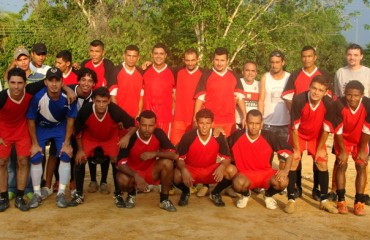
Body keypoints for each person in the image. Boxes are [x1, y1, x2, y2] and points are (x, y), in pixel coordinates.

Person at [69, 87, 135, 208]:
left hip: (109, 138)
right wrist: (80, 150)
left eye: (104, 101)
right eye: (98, 101)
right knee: (80, 159)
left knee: (116, 160)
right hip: (90, 138)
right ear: (93, 100)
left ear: (109, 101)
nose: (101, 105)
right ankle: (79, 194)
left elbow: (133, 124)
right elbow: (77, 130)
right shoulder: (86, 110)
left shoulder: (114, 110)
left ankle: (118, 194)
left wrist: (127, 137)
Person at [281, 46, 332, 201]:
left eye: (310, 56)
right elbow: (288, 97)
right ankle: (296, 188)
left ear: (315, 57)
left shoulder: (324, 75)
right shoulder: (295, 75)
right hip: (299, 125)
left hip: (316, 129)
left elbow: (327, 123)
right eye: (304, 56)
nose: (307, 59)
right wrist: (299, 112)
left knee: (321, 159)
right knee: (296, 157)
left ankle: (318, 190)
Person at [285, 75, 338, 214]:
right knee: (294, 160)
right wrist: (296, 149)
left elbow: (327, 128)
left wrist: (320, 148)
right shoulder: (298, 99)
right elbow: (294, 127)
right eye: (314, 88)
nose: (316, 92)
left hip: (316, 137)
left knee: (322, 161)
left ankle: (324, 200)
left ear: (325, 92)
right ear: (309, 87)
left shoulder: (329, 103)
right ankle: (291, 199)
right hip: (299, 135)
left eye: (320, 90)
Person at [26, 67, 77, 208]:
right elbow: (30, 119)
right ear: (46, 82)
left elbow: (71, 120)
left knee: (66, 154)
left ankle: (61, 193)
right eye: (51, 80)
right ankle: (37, 193)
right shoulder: (38, 97)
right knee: (36, 155)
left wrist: (67, 143)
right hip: (41, 127)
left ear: (62, 82)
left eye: (57, 80)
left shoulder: (69, 97)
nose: (54, 84)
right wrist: (35, 143)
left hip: (60, 126)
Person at [228, 109, 293, 209]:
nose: (254, 126)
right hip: (245, 174)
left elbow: (289, 153)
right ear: (246, 122)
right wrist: (217, 132)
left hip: (266, 174)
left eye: (257, 123)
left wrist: (286, 170)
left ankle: (268, 195)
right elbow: (221, 148)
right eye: (251, 123)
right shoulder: (237, 136)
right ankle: (245, 195)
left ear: (262, 124)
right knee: (238, 183)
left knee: (283, 181)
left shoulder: (269, 136)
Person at [0, 68, 45, 212]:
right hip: (4, 130)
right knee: (2, 162)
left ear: (25, 83)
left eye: (19, 83)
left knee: (23, 161)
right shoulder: (2, 97)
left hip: (21, 129)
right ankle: (3, 197)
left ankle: (20, 196)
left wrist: (68, 90)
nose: (16, 86)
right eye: (12, 82)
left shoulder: (30, 91)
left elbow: (49, 80)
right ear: (8, 83)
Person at [330, 43, 370, 204]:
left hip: (363, 118)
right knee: (340, 160)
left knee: (363, 161)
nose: (352, 57)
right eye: (349, 54)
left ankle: (362, 196)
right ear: (346, 55)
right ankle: (335, 191)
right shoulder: (341, 72)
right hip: (345, 117)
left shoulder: (367, 72)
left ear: (361, 56)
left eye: (355, 55)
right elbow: (338, 94)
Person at [116, 110, 178, 212]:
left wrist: (155, 153)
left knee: (167, 163)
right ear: (139, 124)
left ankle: (164, 200)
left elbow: (174, 155)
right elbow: (119, 164)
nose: (147, 129)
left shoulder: (158, 133)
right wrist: (136, 176)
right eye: (144, 125)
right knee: (121, 179)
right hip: (133, 172)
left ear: (155, 125)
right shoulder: (130, 137)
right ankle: (131, 195)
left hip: (150, 171)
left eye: (151, 126)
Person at [174, 109, 234, 207]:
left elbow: (227, 158)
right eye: (201, 123)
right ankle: (185, 192)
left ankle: (215, 193)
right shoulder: (188, 136)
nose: (204, 126)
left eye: (207, 123)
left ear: (212, 123)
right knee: (176, 175)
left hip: (211, 171)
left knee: (232, 170)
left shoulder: (218, 136)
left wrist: (222, 166)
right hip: (192, 171)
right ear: (197, 123)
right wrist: (184, 170)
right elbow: (180, 159)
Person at [81, 40, 115, 193]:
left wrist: (110, 107)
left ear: (103, 52)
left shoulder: (108, 65)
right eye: (92, 51)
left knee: (105, 144)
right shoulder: (84, 64)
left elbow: (112, 86)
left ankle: (103, 181)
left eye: (97, 51)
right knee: (90, 143)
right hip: (88, 109)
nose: (94, 54)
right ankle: (93, 180)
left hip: (103, 107)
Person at [333, 80, 370, 216]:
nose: (352, 98)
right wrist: (342, 151)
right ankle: (341, 200)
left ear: (362, 95)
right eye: (349, 95)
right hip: (343, 139)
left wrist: (361, 150)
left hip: (361, 140)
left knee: (361, 166)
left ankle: (358, 202)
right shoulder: (339, 104)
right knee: (341, 165)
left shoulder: (368, 104)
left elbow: (367, 128)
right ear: (345, 94)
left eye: (356, 95)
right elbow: (337, 129)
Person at [194, 47, 246, 137]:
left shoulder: (234, 75)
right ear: (213, 60)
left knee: (228, 149)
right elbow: (200, 99)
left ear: (227, 60)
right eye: (217, 60)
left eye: (222, 60)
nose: (219, 63)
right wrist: (195, 118)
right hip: (211, 121)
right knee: (212, 149)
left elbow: (240, 98)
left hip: (229, 121)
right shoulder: (206, 75)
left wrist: (245, 116)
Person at [170, 48, 203, 146]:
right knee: (175, 148)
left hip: (195, 119)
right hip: (179, 118)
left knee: (193, 148)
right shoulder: (177, 72)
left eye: (193, 60)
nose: (190, 63)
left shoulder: (204, 74)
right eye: (187, 60)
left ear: (197, 59)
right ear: (184, 60)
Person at [142, 43, 175, 136]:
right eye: (156, 53)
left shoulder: (173, 72)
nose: (158, 56)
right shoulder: (144, 71)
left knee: (164, 148)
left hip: (165, 118)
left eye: (161, 54)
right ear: (152, 54)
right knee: (148, 147)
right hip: (147, 119)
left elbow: (175, 96)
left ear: (165, 55)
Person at [110, 44, 144, 119]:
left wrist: (139, 113)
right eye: (129, 55)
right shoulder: (116, 70)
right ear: (124, 56)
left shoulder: (141, 73)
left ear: (138, 58)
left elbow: (141, 96)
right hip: (119, 116)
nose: (131, 59)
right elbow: (113, 96)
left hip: (135, 117)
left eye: (134, 56)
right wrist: (118, 114)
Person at [236, 61, 259, 129]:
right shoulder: (237, 83)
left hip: (254, 126)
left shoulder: (260, 85)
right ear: (243, 72)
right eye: (247, 70)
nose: (250, 73)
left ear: (256, 73)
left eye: (253, 71)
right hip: (239, 124)